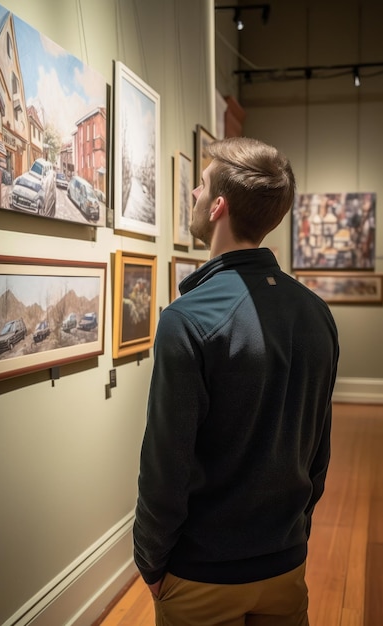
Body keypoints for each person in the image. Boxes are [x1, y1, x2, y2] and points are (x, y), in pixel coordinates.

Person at [133, 136, 339, 625]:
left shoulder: (187, 319)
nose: (195, 195)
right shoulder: (316, 314)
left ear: (219, 205)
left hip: (203, 573)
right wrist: (296, 534)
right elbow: (318, 451)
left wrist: (151, 559)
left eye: (200, 185)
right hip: (285, 563)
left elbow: (167, 463)